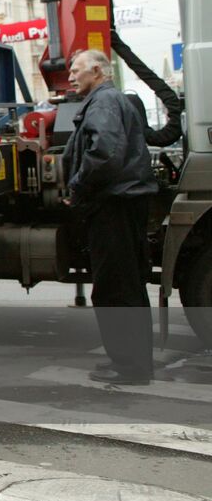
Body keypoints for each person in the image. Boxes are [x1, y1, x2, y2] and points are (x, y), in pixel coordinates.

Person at [61, 48, 158, 385]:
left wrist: (77, 186)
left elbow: (103, 153)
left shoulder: (103, 102)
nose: (71, 76)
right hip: (122, 202)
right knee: (125, 286)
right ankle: (130, 361)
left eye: (77, 70)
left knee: (115, 289)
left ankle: (131, 368)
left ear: (98, 71)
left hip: (113, 204)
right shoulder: (110, 99)